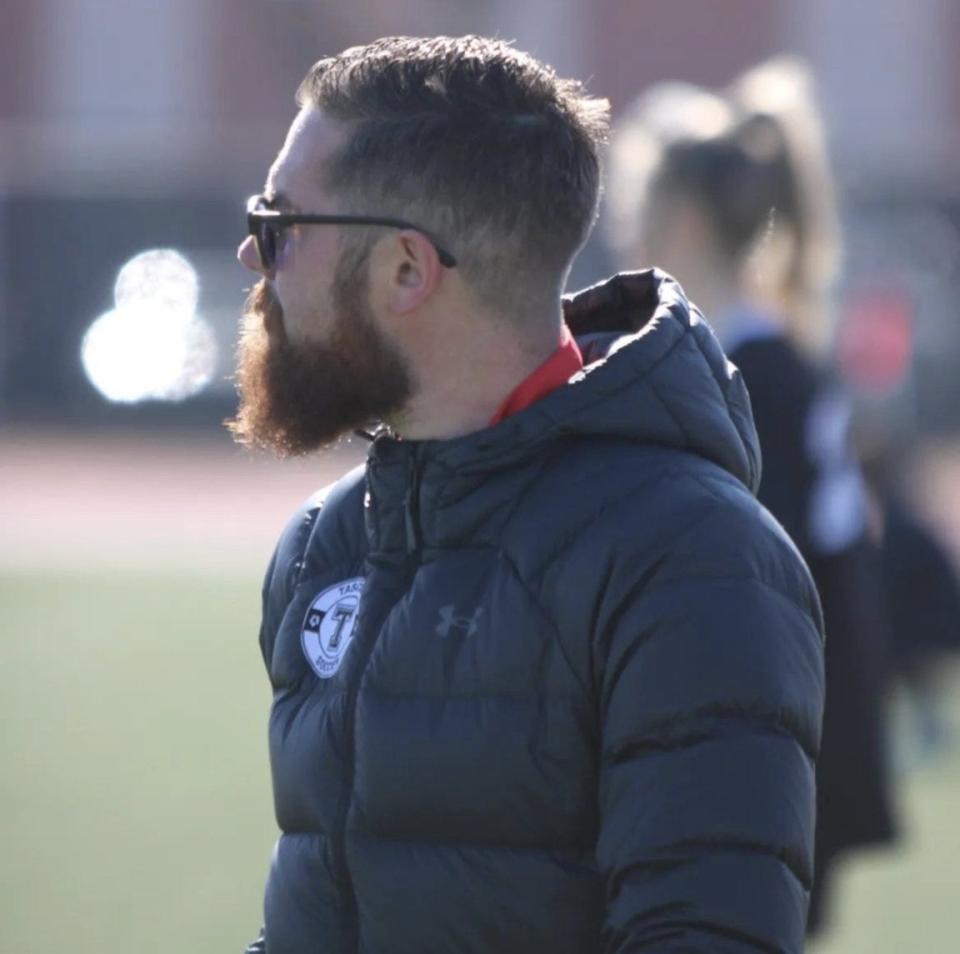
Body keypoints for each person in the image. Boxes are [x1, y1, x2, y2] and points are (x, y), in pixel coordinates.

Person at [230, 36, 824, 953]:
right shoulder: (330, 540)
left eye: (282, 223)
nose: (252, 254)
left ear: (405, 269)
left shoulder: (694, 561)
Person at [606, 56, 896, 935]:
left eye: (638, 212)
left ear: (684, 221)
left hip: (776, 747)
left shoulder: (747, 377)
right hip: (784, 731)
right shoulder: (763, 362)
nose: (625, 236)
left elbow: (761, 584)